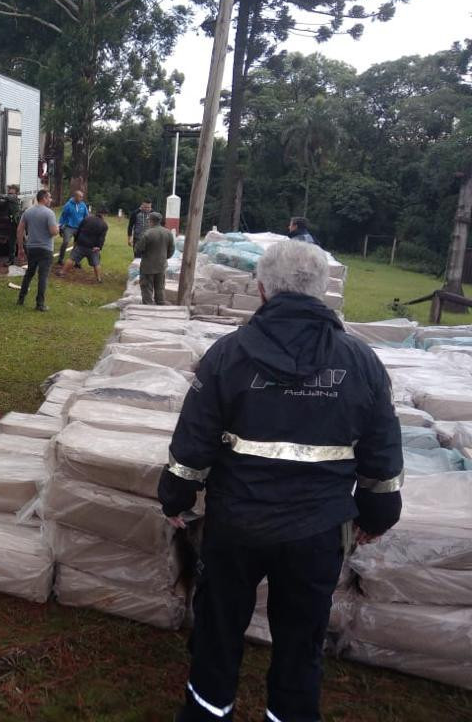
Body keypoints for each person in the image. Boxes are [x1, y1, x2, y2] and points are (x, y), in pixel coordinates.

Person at [159, 240, 403, 722]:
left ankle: (208, 712)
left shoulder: (228, 355)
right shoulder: (362, 364)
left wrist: (176, 496)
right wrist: (379, 515)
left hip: (236, 527)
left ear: (262, 289)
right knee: (300, 641)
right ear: (323, 291)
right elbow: (381, 456)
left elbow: (193, 441)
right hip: (316, 535)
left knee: (220, 631)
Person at [16, 189, 59, 312]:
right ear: (44, 198)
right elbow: (52, 232)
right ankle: (40, 304)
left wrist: (20, 248)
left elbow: (20, 230)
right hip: (46, 248)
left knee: (29, 273)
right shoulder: (49, 213)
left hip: (31, 248)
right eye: (49, 198)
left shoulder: (28, 212)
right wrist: (57, 229)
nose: (50, 200)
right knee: (43, 276)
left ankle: (21, 298)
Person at [134, 211, 174, 305]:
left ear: (151, 221)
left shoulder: (147, 233)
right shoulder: (168, 233)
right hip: (161, 265)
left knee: (146, 288)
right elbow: (171, 250)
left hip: (148, 266)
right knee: (160, 288)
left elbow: (138, 249)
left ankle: (148, 308)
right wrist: (164, 257)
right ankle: (160, 306)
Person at [58, 208, 108, 283]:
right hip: (93, 248)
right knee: (96, 263)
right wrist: (99, 247)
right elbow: (102, 238)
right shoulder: (104, 225)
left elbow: (79, 230)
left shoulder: (87, 219)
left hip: (81, 244)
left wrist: (76, 241)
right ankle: (99, 279)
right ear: (103, 215)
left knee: (72, 259)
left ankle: (62, 272)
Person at [57, 190, 88, 266]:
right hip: (69, 227)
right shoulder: (68, 205)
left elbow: (86, 216)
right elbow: (63, 216)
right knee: (66, 242)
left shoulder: (83, 205)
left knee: (78, 244)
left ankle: (76, 261)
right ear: (75, 197)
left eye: (82, 197)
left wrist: (86, 225)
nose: (81, 198)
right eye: (80, 197)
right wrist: (60, 226)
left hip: (79, 228)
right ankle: (60, 259)